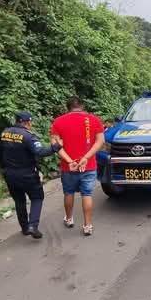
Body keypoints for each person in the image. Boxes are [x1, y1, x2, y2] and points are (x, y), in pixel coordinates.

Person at [0, 111, 62, 239]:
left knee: (19, 201)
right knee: (37, 197)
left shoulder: (4, 133)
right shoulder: (28, 136)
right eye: (30, 122)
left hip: (10, 174)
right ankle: (33, 225)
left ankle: (25, 228)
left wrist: (4, 169)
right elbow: (40, 151)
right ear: (27, 122)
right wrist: (56, 147)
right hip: (27, 174)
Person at [50, 97, 105, 236]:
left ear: (68, 107)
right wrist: (86, 157)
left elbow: (55, 145)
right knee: (87, 194)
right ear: (82, 106)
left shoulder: (58, 122)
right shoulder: (94, 119)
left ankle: (69, 219)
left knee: (68, 192)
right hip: (88, 165)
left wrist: (70, 161)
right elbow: (100, 141)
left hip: (68, 167)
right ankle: (87, 225)